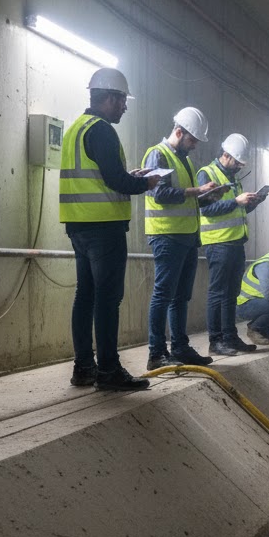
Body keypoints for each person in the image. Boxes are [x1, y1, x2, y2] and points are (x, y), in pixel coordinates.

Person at [59, 68, 159, 391]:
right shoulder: (102, 130)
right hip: (104, 228)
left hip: (78, 226)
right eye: (122, 102)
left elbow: (102, 176)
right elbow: (116, 181)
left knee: (85, 296)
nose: (124, 108)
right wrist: (147, 181)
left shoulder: (76, 128)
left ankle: (83, 368)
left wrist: (128, 175)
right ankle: (109, 372)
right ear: (110, 98)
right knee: (107, 299)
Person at [142, 107, 218, 370]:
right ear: (178, 131)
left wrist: (206, 196)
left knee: (180, 296)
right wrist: (196, 190)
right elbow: (159, 194)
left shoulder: (184, 159)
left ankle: (180, 347)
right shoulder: (157, 154)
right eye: (192, 140)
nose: (194, 145)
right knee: (163, 294)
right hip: (166, 234)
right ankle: (156, 352)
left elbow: (185, 196)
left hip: (185, 236)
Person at [197, 133, 265, 356]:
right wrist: (236, 201)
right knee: (217, 293)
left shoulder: (234, 179)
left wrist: (251, 203)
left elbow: (237, 210)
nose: (238, 167)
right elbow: (206, 209)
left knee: (230, 294)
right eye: (237, 162)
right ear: (225, 155)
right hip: (219, 243)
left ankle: (230, 337)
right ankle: (215, 341)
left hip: (236, 242)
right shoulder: (207, 174)